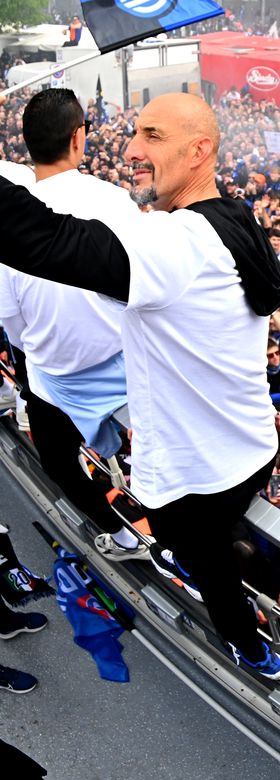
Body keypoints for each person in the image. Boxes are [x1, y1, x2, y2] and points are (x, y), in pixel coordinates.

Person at [0, 93, 280, 680]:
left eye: (152, 136)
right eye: (134, 134)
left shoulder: (179, 243)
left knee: (201, 558)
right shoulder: (230, 218)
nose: (130, 150)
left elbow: (47, 242)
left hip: (199, 475)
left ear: (200, 149)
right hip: (250, 446)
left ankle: (252, 649)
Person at [0, 89, 143, 560]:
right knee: (151, 461)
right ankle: (169, 549)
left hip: (50, 372)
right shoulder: (119, 201)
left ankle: (124, 535)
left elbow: (9, 318)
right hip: (123, 366)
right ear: (79, 138)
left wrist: (39, 348)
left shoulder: (12, 219)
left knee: (59, 463)